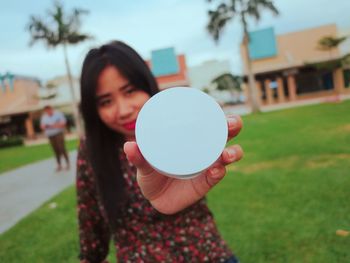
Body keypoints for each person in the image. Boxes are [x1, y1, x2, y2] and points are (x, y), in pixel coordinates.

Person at [77, 41, 244, 263]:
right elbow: (91, 223)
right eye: (106, 101)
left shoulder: (179, 124)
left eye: (130, 91)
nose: (124, 110)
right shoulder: (92, 150)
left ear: (146, 83)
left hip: (209, 254)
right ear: (93, 109)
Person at [40, 105, 70, 171]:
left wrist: (50, 126)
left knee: (62, 148)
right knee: (55, 150)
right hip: (50, 135)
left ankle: (68, 163)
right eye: (46, 110)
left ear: (51, 109)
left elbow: (63, 123)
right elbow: (42, 126)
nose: (48, 111)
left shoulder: (58, 114)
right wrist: (55, 125)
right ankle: (59, 165)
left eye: (49, 109)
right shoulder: (44, 117)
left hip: (58, 134)